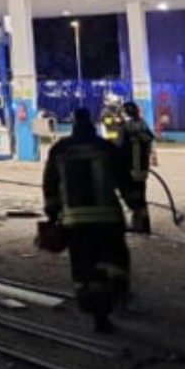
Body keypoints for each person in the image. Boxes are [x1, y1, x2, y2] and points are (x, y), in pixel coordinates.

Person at [42, 108, 146, 333]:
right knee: (115, 264)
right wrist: (136, 205)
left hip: (75, 222)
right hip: (108, 220)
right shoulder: (105, 148)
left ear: (73, 125)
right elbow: (124, 180)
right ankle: (117, 297)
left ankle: (98, 316)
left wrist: (52, 214)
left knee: (84, 269)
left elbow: (50, 185)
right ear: (92, 124)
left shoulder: (60, 149)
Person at [114, 102, 154, 235]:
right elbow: (149, 141)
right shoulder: (143, 125)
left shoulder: (125, 128)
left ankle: (137, 224)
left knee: (130, 197)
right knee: (141, 198)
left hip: (128, 170)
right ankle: (144, 225)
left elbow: (118, 148)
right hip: (142, 170)